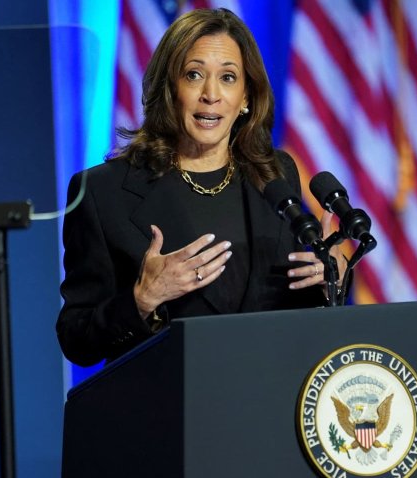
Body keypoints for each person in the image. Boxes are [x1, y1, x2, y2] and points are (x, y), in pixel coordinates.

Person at [56, 8, 344, 367]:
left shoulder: (274, 173)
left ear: (246, 98)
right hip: (166, 408)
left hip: (266, 398)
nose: (211, 94)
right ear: (170, 89)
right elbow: (76, 338)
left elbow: (291, 306)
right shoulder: (104, 192)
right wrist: (142, 299)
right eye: (194, 75)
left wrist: (329, 278)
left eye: (227, 77)